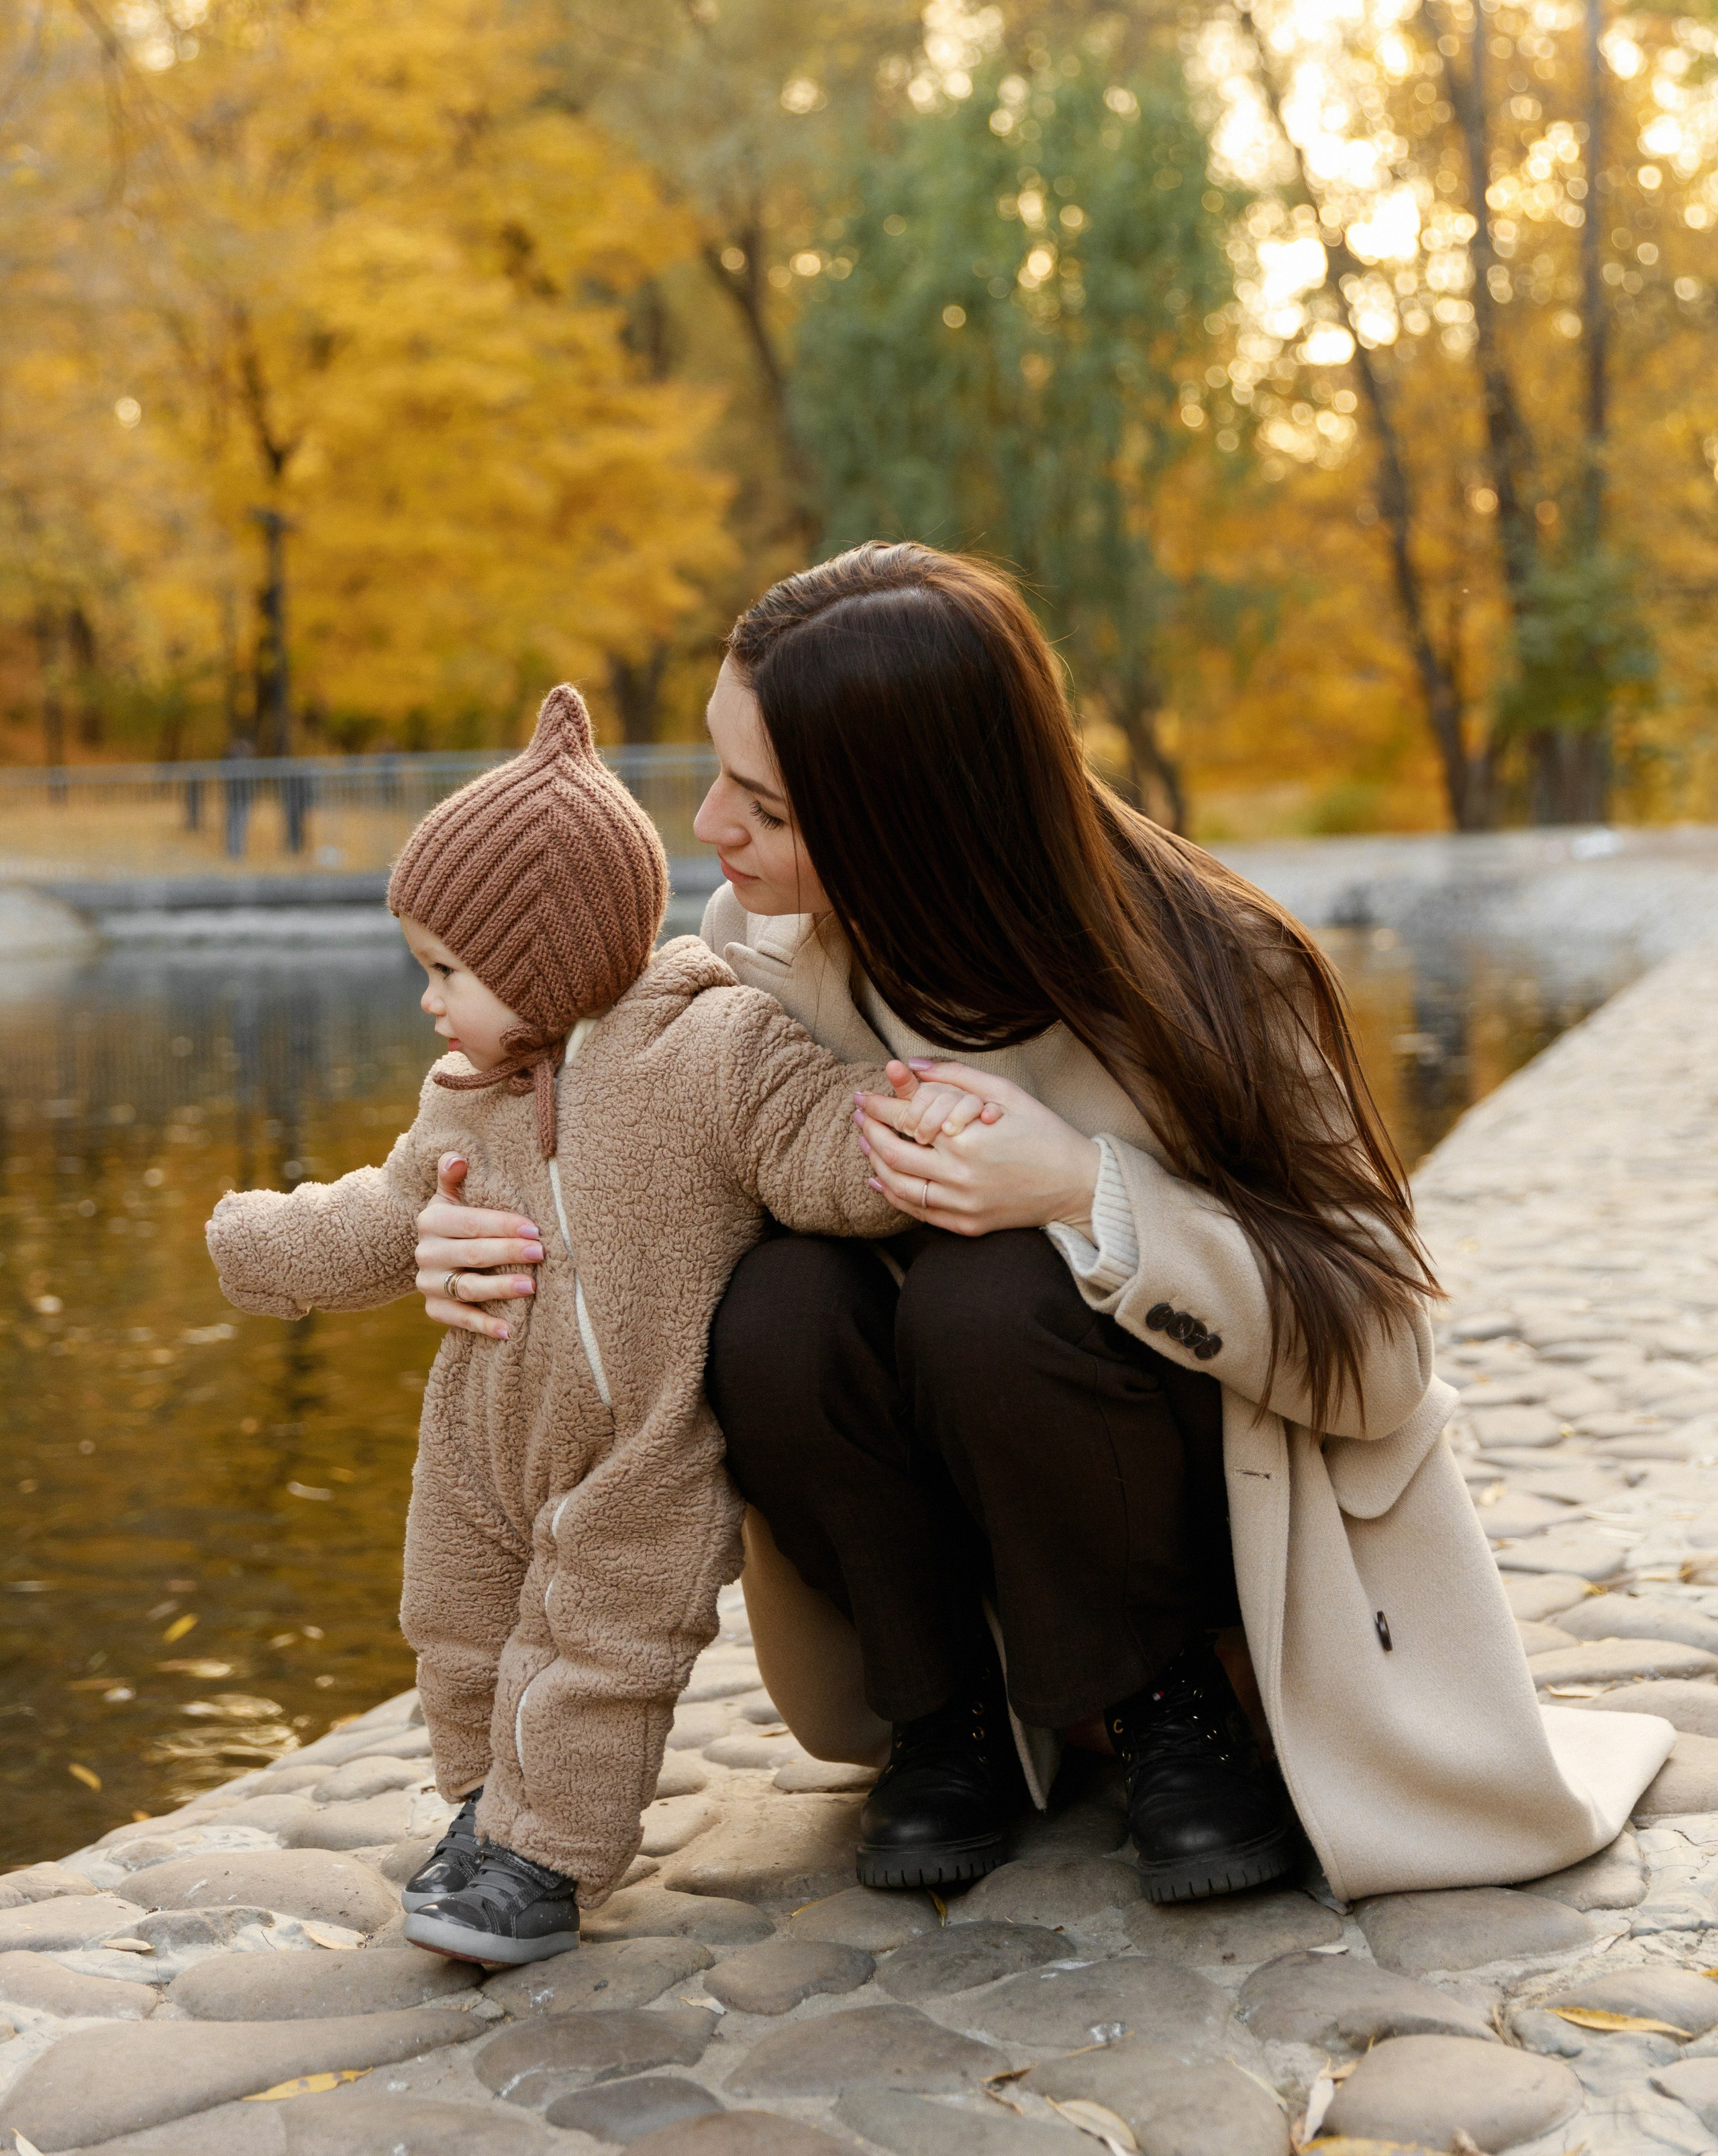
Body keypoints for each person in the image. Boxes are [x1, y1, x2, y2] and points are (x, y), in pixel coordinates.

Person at [415, 544, 1674, 1906]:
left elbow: (1379, 1356)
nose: (710, 827)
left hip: (1179, 1528)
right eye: (718, 774)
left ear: (917, 819)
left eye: (767, 808)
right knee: (774, 1303)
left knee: (993, 1294)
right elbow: (616, 1192)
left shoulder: (1217, 972)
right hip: (935, 1533)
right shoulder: (752, 949)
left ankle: (1162, 1702)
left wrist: (1088, 1193)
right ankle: (938, 1719)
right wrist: (479, 1246)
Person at [205, 684, 909, 1963]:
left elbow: (815, 1149)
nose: (429, 1001)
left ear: (537, 962)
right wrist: (261, 1243)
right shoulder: (467, 1097)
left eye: (447, 971)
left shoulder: (712, 1052)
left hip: (644, 1437)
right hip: (481, 1431)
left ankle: (547, 1860)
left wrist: (913, 1137)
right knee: (458, 1618)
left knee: (600, 1644)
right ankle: (486, 1805)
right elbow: (388, 1213)